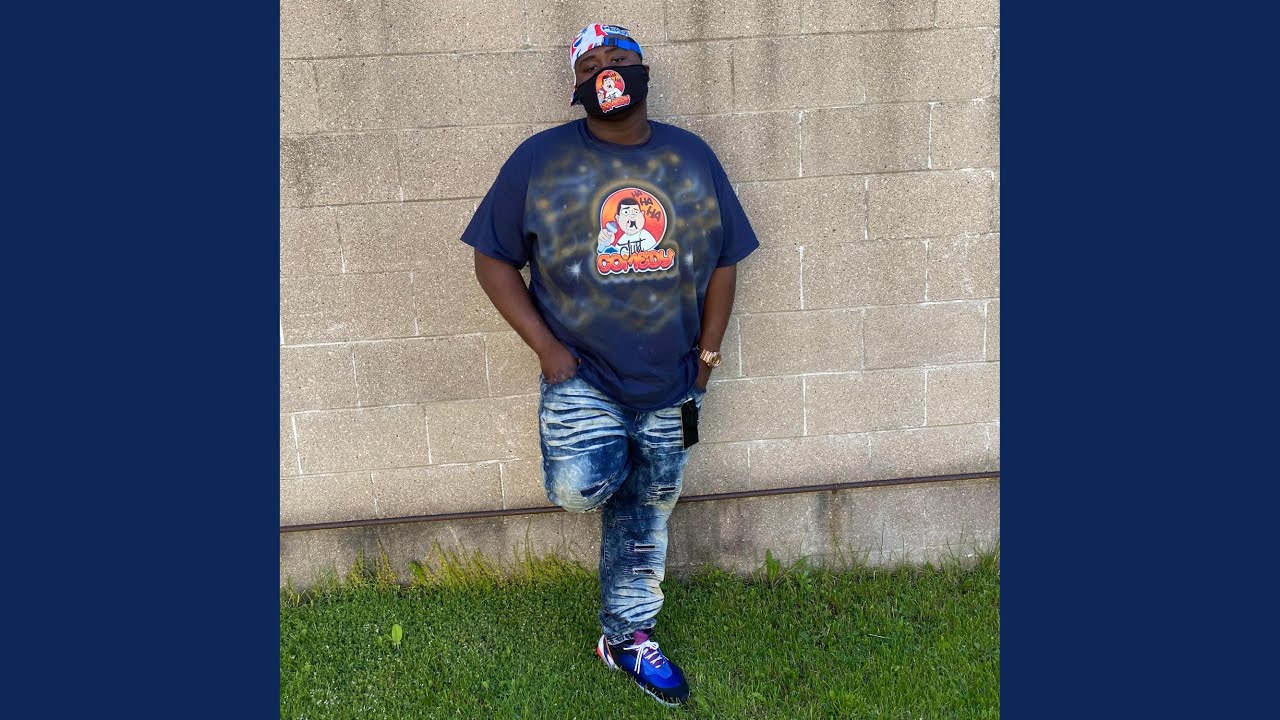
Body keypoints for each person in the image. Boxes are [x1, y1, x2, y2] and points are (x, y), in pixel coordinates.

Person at [460, 21, 759, 707]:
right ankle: (625, 481)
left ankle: (626, 637)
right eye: (590, 63)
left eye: (618, 57)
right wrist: (548, 350)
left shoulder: (690, 156)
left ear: (642, 70)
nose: (606, 70)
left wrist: (706, 363)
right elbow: (492, 258)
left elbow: (724, 261)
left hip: (676, 383)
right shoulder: (540, 159)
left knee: (650, 513)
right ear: (577, 86)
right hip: (583, 377)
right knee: (579, 488)